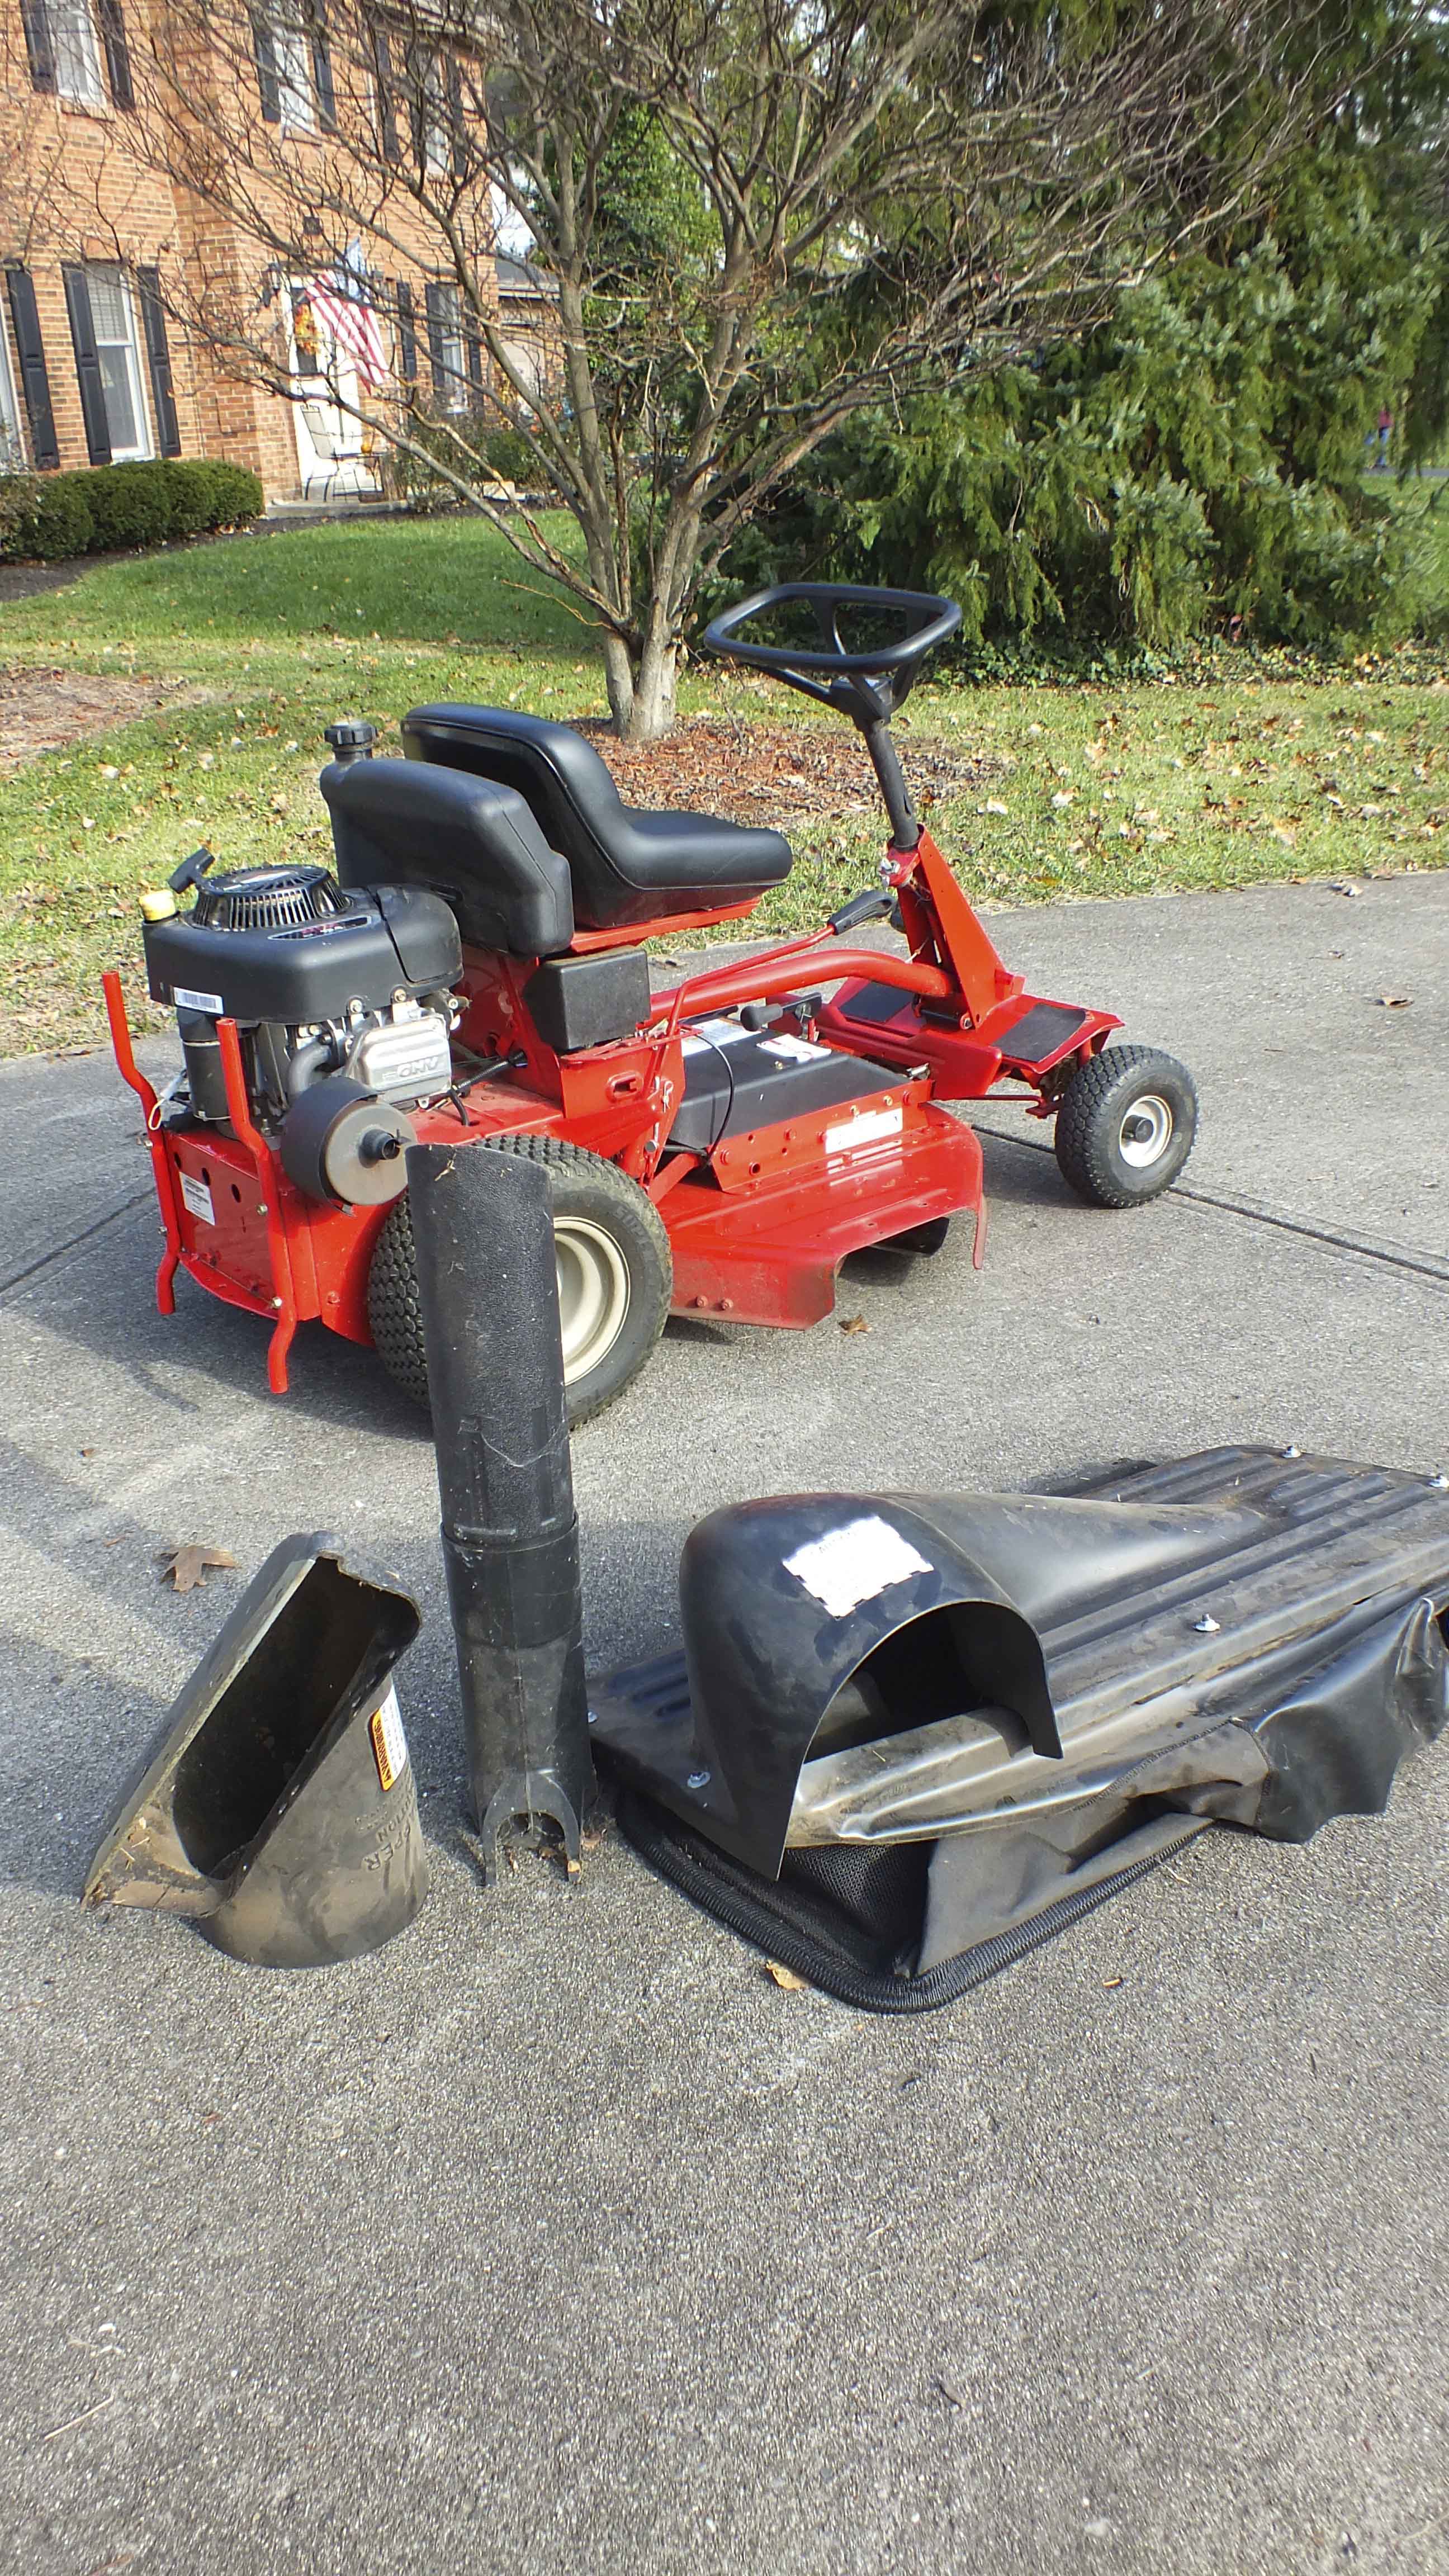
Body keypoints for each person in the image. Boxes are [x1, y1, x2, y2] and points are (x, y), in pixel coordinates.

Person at [1376, 405, 1393, 469]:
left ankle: (1381, 463)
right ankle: (1381, 462)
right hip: (1381, 430)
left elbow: (1390, 423)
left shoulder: (1387, 414)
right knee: (1381, 447)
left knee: (1383, 447)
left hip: (1385, 430)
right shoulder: (1381, 413)